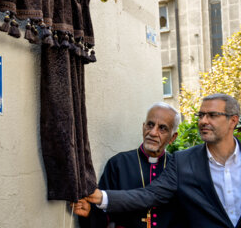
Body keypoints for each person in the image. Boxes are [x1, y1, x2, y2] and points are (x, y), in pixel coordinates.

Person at [77, 94, 241, 228]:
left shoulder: (175, 162)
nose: (153, 133)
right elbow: (149, 195)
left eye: (212, 115)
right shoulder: (120, 163)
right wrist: (98, 200)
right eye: (201, 115)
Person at [76, 102, 181, 228]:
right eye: (150, 125)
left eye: (162, 128)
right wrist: (89, 214)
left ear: (173, 137)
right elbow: (102, 213)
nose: (153, 133)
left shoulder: (177, 167)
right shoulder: (118, 164)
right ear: (143, 127)